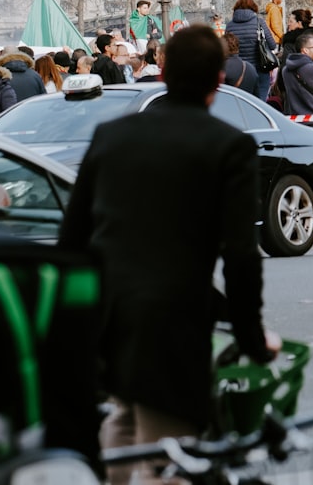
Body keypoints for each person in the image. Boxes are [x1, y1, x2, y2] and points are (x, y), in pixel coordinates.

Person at [58, 25, 277, 482]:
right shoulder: (228, 145)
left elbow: (73, 237)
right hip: (174, 317)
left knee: (123, 420)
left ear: (162, 72)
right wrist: (252, 337)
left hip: (110, 311)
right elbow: (240, 255)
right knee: (170, 450)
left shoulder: (112, 135)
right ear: (219, 80)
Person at [225, 0, 275, 101]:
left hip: (239, 70)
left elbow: (227, 47)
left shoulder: (229, 25)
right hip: (260, 68)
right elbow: (272, 45)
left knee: (242, 101)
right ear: (254, 8)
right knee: (260, 102)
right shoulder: (259, 22)